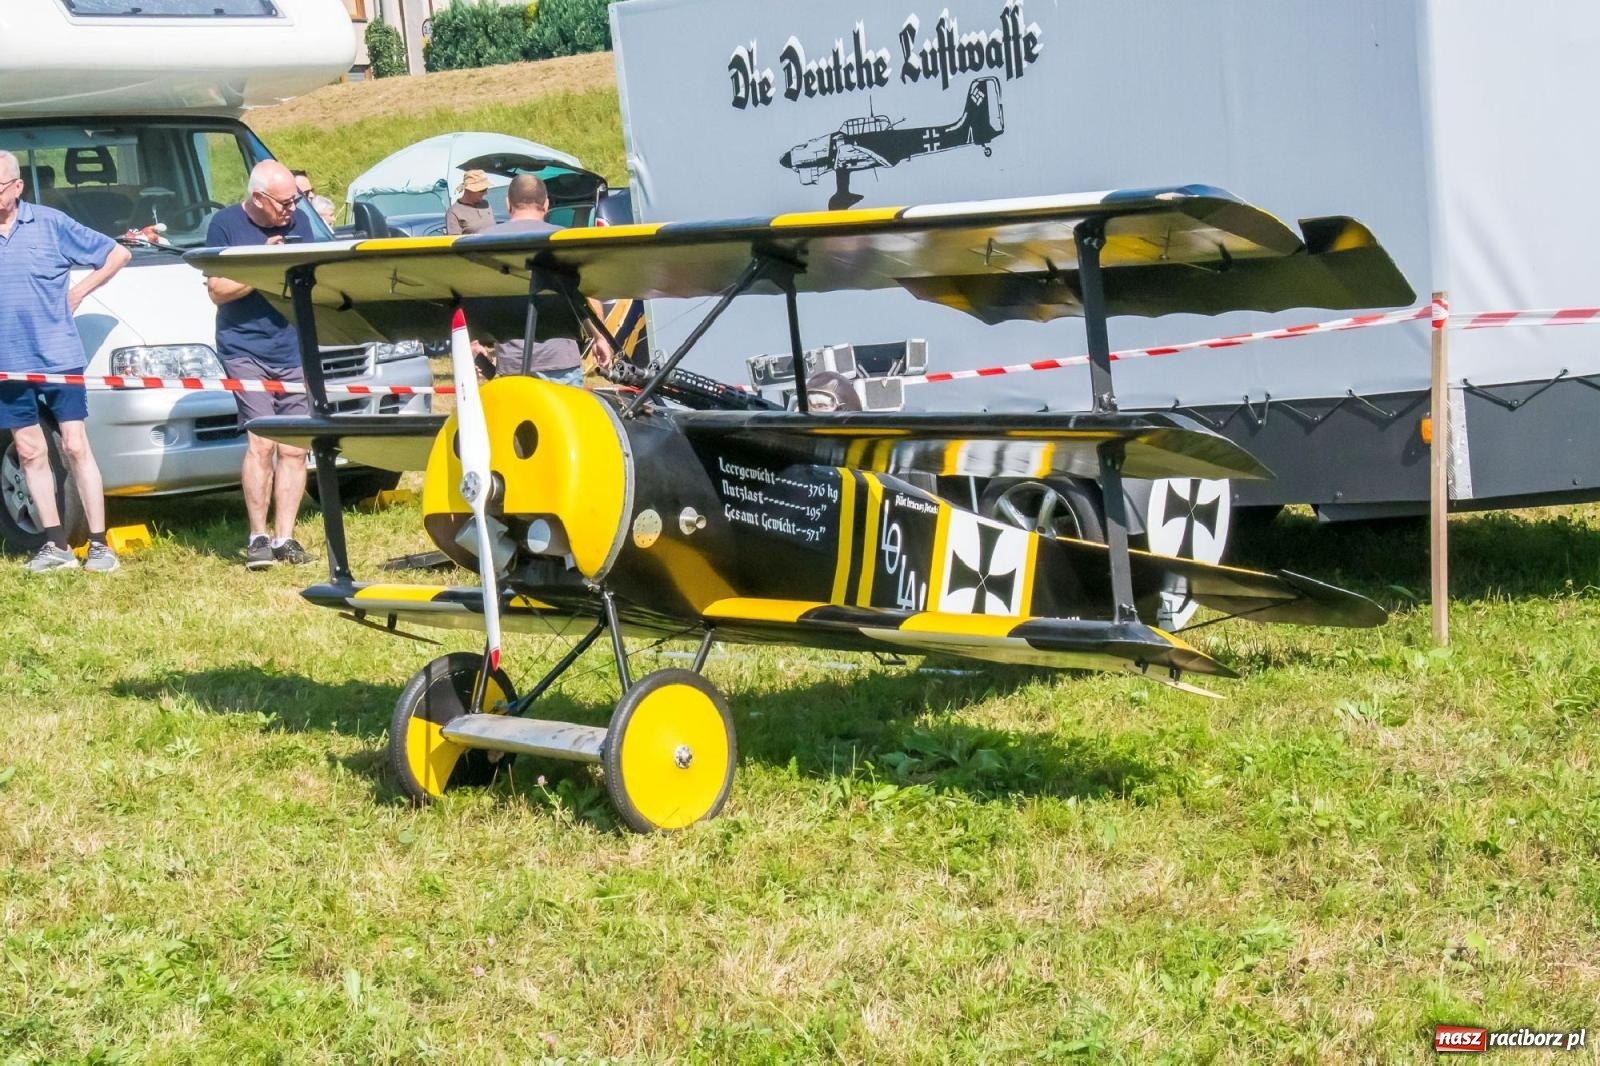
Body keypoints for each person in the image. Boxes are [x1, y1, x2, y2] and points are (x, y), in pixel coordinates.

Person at [0, 149, 131, 573]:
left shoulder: (51, 224)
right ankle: (55, 545)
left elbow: (117, 254)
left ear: (17, 187)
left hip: (58, 359)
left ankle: (98, 545)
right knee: (29, 450)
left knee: (75, 446)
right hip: (7, 364)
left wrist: (79, 292)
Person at [202, 160, 317, 571]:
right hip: (244, 349)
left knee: (293, 446)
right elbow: (217, 290)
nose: (291, 210)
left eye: (295, 200)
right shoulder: (226, 225)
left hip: (293, 348)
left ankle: (285, 537)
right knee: (262, 442)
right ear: (258, 199)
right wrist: (259, 268)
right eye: (284, 203)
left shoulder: (300, 224)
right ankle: (258, 537)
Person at [475, 174, 611, 386]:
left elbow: (470, 293)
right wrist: (600, 337)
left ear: (508, 204)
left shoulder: (483, 242)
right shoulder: (567, 240)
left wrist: (473, 342)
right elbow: (586, 295)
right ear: (546, 204)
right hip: (561, 362)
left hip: (513, 365)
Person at [445, 169, 493, 235]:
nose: (486, 193)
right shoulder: (454, 212)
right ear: (468, 190)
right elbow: (455, 242)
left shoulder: (486, 205)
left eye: (486, 189)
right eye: (482, 190)